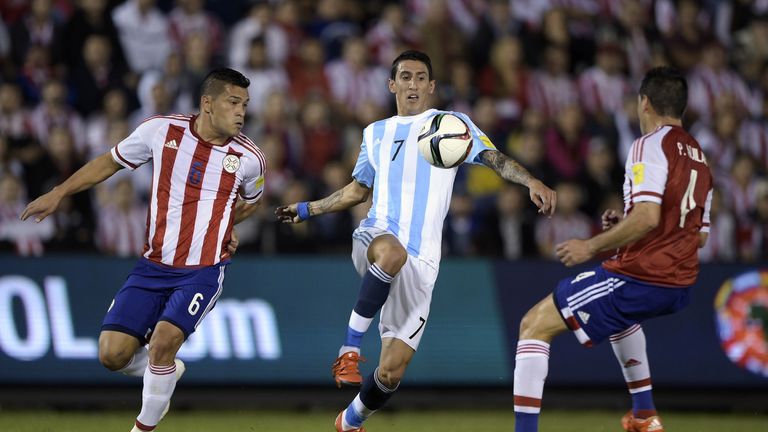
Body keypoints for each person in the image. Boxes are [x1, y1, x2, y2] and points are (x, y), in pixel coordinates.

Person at [275, 50, 557, 432]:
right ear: (392, 85)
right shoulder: (375, 133)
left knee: (391, 373)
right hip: (377, 237)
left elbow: (494, 158)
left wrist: (532, 181)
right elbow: (359, 190)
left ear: (432, 86)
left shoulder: (453, 125)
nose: (413, 84)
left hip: (424, 262)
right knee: (391, 253)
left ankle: (350, 421)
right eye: (405, 77)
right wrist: (308, 209)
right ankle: (349, 351)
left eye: (421, 77)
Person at [20, 68, 266, 432]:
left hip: (202, 269)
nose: (241, 112)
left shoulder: (249, 158)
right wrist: (59, 193)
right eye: (233, 103)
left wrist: (225, 228)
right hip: (152, 265)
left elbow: (252, 201)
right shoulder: (161, 130)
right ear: (207, 104)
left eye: (244, 104)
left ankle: (142, 425)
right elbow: (109, 162)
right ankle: (163, 372)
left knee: (165, 340)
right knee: (112, 354)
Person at [511, 66, 713, 432]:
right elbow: (696, 235)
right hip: (679, 282)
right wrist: (624, 225)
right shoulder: (699, 156)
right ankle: (644, 415)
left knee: (533, 325)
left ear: (644, 102)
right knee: (622, 319)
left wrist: (591, 245)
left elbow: (650, 218)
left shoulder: (649, 145)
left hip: (645, 275)